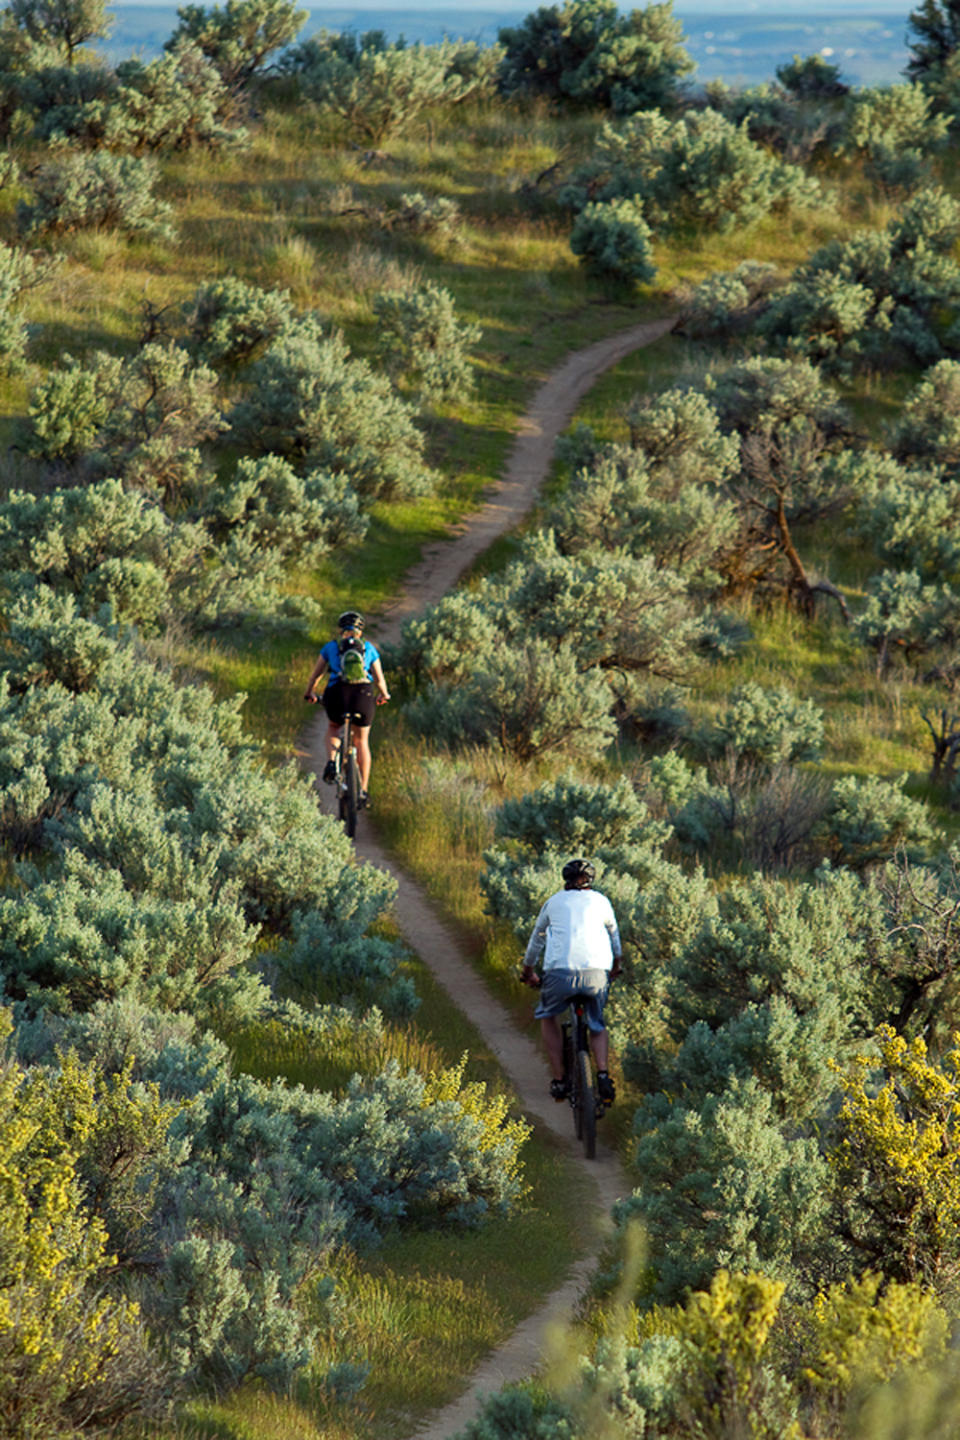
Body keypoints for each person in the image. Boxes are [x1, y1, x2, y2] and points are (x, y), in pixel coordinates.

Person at [521, 858, 622, 1105]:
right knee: (597, 1024)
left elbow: (537, 939)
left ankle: (559, 1080)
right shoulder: (602, 902)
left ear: (565, 879)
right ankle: (602, 1075)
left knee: (547, 1016)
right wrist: (616, 967)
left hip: (559, 974)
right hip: (596, 975)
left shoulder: (553, 902)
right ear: (591, 881)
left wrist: (528, 971)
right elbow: (614, 937)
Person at [303, 610, 390, 808]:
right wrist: (384, 695)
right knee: (362, 740)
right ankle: (363, 791)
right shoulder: (369, 648)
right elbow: (379, 679)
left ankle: (332, 762)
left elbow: (315, 676)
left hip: (337, 694)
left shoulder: (330, 647)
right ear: (361, 630)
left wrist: (310, 693)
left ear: (341, 629)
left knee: (334, 726)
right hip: (363, 695)